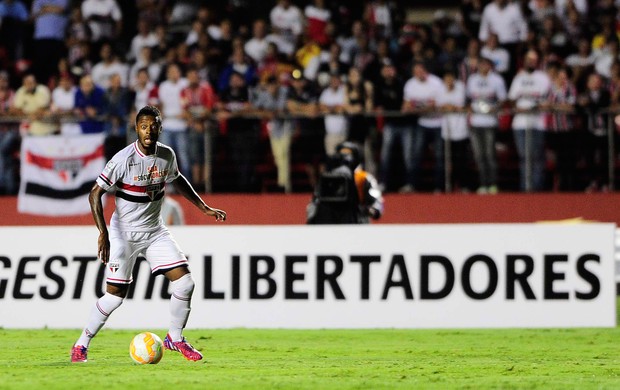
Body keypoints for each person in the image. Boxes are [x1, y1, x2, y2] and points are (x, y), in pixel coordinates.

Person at [70, 105, 226, 363]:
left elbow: (178, 179)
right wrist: (103, 234)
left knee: (185, 283)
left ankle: (175, 338)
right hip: (123, 234)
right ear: (136, 129)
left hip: (154, 231)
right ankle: (81, 344)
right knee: (114, 298)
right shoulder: (122, 160)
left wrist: (203, 207)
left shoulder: (166, 155)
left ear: (160, 128)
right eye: (144, 126)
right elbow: (94, 193)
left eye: (153, 125)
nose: (148, 130)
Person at [307, 141, 383, 224]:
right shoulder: (328, 178)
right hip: (331, 218)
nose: (345, 158)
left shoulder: (363, 177)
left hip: (356, 219)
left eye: (349, 155)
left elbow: (376, 200)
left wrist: (373, 210)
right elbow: (315, 200)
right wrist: (312, 217)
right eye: (342, 155)